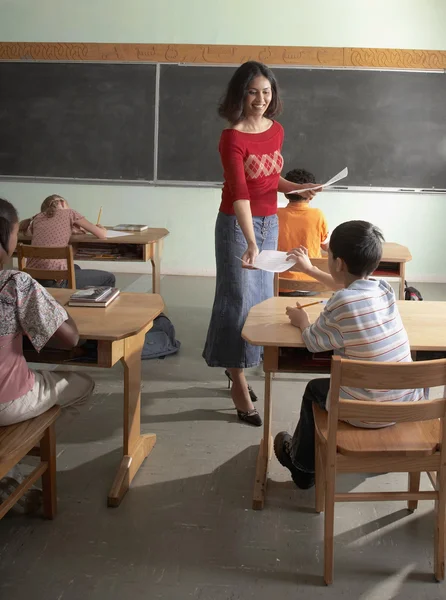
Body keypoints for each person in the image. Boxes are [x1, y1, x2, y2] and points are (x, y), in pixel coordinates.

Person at [202, 61, 321, 426]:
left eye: (266, 92)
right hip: (239, 226)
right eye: (253, 92)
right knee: (235, 299)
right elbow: (239, 193)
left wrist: (296, 188)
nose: (260, 99)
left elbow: (271, 178)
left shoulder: (276, 130)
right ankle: (237, 377)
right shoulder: (232, 137)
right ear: (240, 93)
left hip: (269, 222)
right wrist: (250, 242)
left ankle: (238, 365)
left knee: (258, 300)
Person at [274, 220, 424, 488]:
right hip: (405, 405)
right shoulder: (383, 289)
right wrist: (309, 269)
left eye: (328, 255)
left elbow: (312, 341)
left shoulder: (340, 303)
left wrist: (301, 320)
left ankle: (302, 466)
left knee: (313, 390)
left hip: (363, 413)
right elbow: (347, 289)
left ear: (338, 263)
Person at [0, 197, 95, 427]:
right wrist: (55, 306)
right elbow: (70, 339)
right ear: (7, 239)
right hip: (6, 404)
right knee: (82, 385)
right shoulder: (15, 283)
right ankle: (36, 444)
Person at [19, 194, 116, 289]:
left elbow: (43, 232)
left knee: (75, 267)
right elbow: (102, 235)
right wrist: (102, 229)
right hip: (55, 280)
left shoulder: (37, 217)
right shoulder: (70, 213)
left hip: (34, 278)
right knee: (109, 278)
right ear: (62, 202)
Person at [277, 168, 329, 296]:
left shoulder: (275, 215)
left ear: (285, 192)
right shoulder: (318, 215)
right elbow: (326, 246)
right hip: (311, 284)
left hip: (280, 285)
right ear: (311, 195)